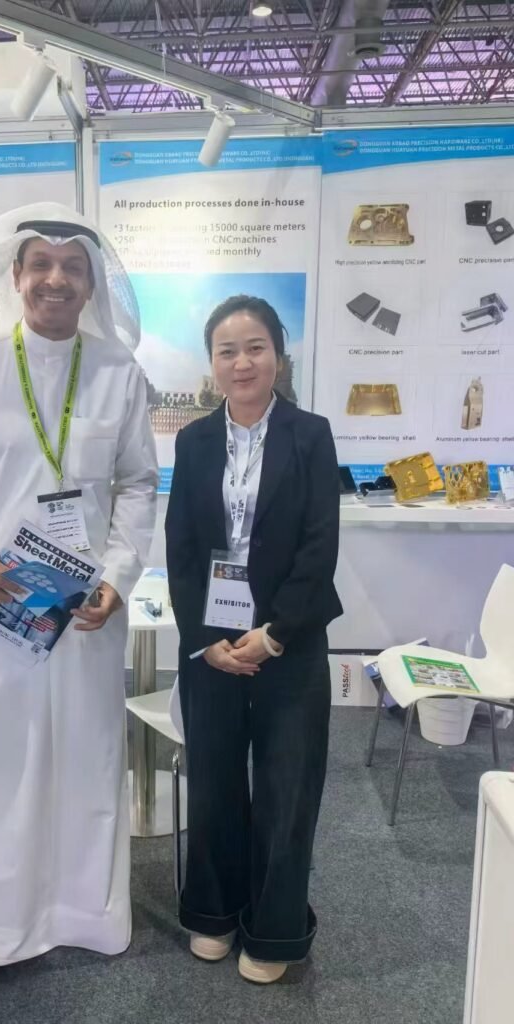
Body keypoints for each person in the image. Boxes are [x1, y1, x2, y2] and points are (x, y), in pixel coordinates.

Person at [0, 202, 158, 979]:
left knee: (85, 764)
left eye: (72, 267)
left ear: (90, 284)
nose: (55, 279)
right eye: (40, 264)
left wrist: (118, 577)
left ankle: (84, 917)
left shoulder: (118, 373)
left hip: (84, 614)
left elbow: (138, 482)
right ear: (15, 275)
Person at [165, 295, 342, 985]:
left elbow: (319, 548)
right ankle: (212, 911)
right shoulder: (193, 441)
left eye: (255, 347)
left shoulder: (311, 435)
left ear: (278, 355)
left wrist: (274, 635)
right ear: (212, 363)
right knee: (212, 781)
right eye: (227, 351)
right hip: (213, 643)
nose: (242, 362)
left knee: (286, 788)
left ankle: (274, 929)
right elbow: (182, 548)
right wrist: (203, 639)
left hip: (289, 642)